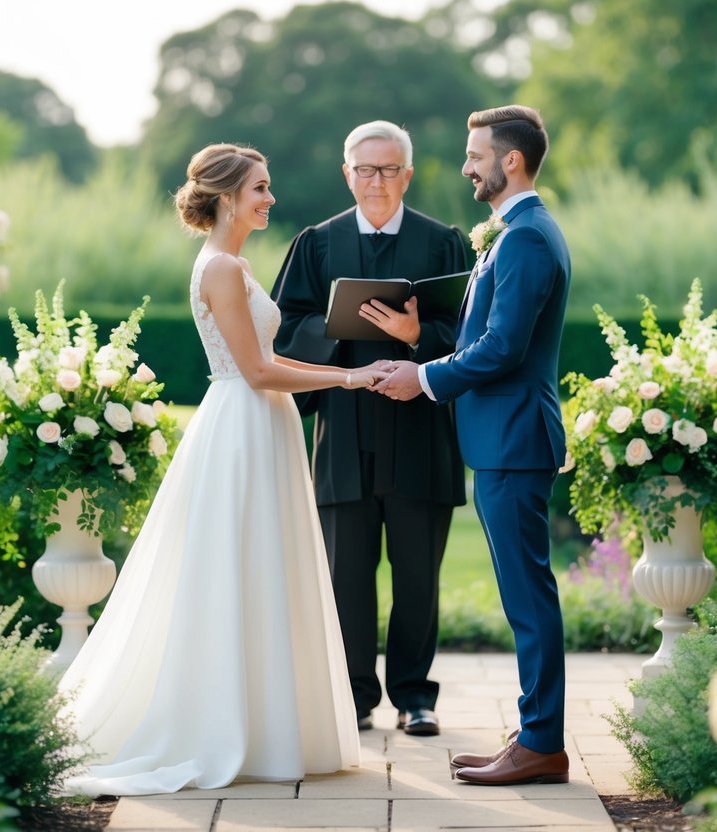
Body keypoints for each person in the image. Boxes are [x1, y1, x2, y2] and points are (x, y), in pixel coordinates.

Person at [58, 143, 383, 796]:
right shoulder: (222, 268)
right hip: (241, 423)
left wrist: (352, 375)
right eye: (260, 188)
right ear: (228, 195)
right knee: (238, 567)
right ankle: (225, 729)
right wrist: (354, 377)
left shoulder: (231, 263)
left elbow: (264, 362)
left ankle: (267, 729)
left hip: (261, 420)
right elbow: (258, 369)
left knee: (265, 568)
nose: (270, 199)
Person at [375, 105, 572, 785]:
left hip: (514, 441)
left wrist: (422, 377)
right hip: (502, 440)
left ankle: (541, 743)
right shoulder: (514, 233)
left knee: (527, 598)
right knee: (524, 595)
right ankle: (531, 732)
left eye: (474, 154)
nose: (464, 167)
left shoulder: (525, 239)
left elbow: (500, 348)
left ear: (509, 160)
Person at [269, 120, 469, 736]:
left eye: (388, 170)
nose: (375, 181)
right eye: (364, 169)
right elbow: (283, 326)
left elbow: (472, 333)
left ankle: (415, 696)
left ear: (408, 174)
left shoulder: (444, 243)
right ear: (346, 172)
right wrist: (338, 328)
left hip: (420, 433)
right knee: (345, 576)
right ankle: (353, 693)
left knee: (417, 575)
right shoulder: (316, 244)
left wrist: (417, 338)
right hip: (345, 430)